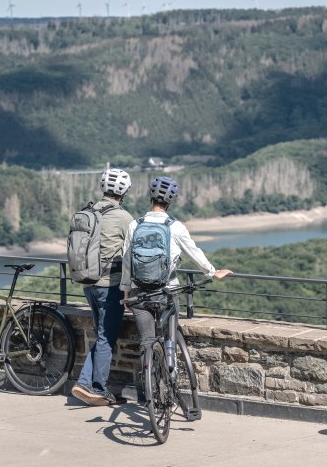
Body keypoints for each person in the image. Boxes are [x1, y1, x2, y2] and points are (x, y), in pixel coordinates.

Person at [120, 176, 231, 376]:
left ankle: (149, 386)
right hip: (167, 291)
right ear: (170, 201)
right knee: (169, 337)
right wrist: (213, 272)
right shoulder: (176, 227)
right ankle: (170, 377)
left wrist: (126, 292)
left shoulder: (135, 226)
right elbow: (194, 252)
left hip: (139, 293)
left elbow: (126, 261)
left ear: (150, 197)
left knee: (147, 340)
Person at [71, 168, 134, 407]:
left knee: (102, 335)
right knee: (107, 337)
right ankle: (96, 387)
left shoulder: (89, 211)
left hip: (89, 283)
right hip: (111, 287)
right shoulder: (124, 218)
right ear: (124, 191)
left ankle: (86, 382)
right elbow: (133, 254)